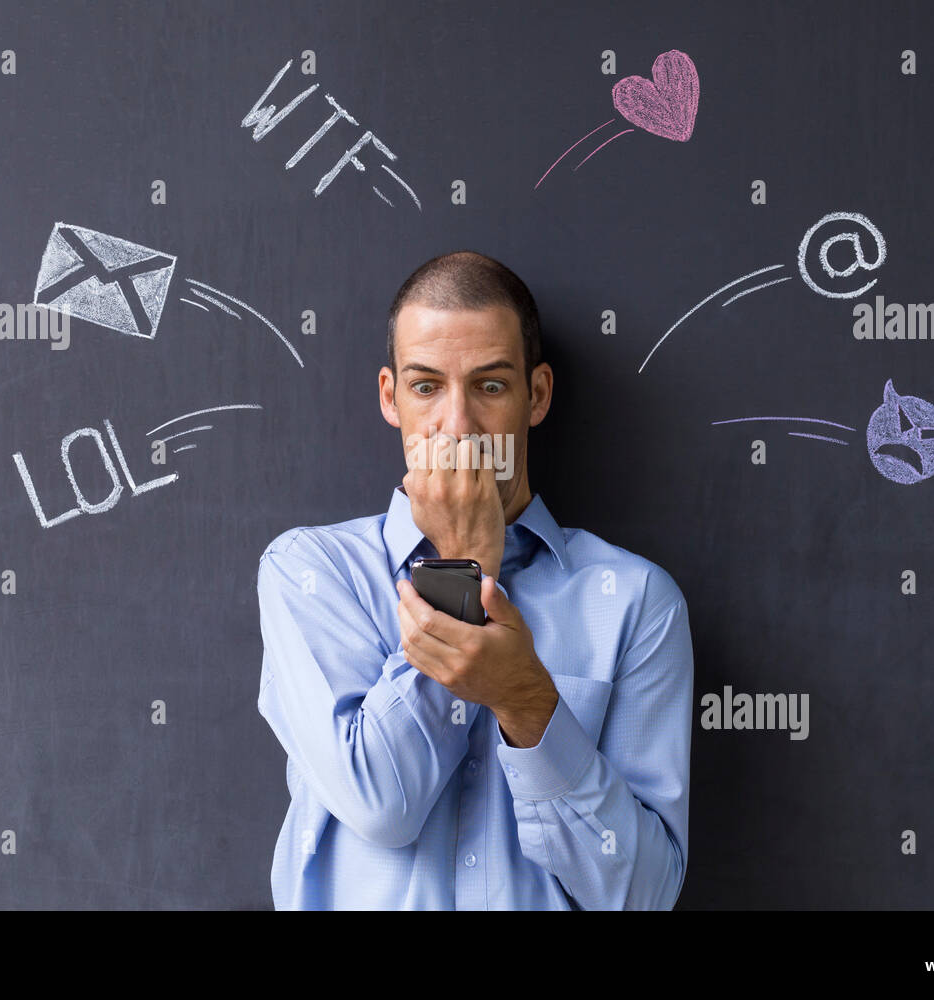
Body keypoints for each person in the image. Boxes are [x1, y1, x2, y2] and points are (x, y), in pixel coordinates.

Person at [256, 250, 694, 909]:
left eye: (489, 386)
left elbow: (643, 893)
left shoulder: (634, 603)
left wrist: (527, 704)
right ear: (391, 398)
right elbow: (380, 804)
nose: (456, 427)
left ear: (535, 396)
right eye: (426, 387)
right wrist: (464, 565)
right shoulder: (312, 573)